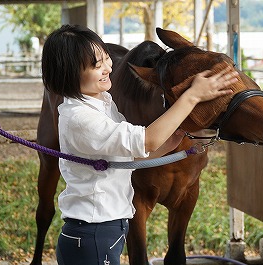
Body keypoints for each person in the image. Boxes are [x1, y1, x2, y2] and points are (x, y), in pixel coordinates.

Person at [41, 24, 238, 265]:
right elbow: (147, 139)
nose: (108, 68)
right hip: (92, 234)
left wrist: (168, 146)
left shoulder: (102, 103)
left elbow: (127, 156)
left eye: (105, 58)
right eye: (97, 65)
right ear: (69, 73)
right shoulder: (81, 118)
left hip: (106, 230)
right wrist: (192, 96)